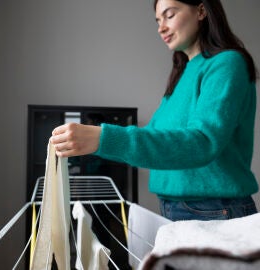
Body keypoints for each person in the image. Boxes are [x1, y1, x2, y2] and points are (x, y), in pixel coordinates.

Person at [50, 0, 259, 221]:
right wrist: (94, 142)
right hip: (178, 207)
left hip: (214, 209)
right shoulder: (183, 72)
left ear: (201, 10)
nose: (161, 28)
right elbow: (155, 137)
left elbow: (203, 141)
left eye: (169, 15)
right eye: (158, 20)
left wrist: (103, 138)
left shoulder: (227, 63)